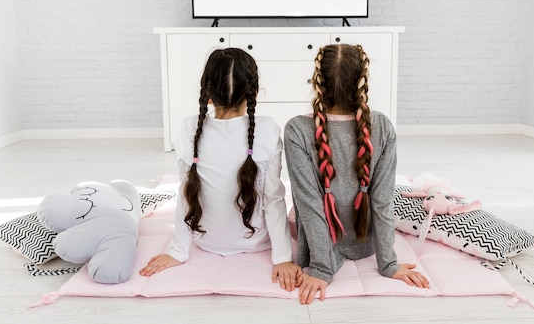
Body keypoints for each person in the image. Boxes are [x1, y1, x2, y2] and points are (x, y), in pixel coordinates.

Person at [140, 48, 302, 292]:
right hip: (257, 242)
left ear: (207, 94)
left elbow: (185, 192)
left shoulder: (189, 127)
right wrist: (284, 259)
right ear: (254, 93)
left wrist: (177, 251)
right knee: (293, 214)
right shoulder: (267, 129)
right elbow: (274, 200)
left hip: (205, 240)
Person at [284, 43, 429, 304]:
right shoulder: (382, 126)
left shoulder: (297, 129)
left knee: (296, 210)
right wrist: (388, 263)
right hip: (367, 242)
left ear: (318, 83)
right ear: (362, 82)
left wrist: (320, 267)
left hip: (320, 249)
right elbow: (382, 200)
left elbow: (309, 205)